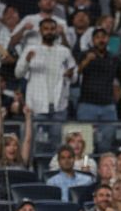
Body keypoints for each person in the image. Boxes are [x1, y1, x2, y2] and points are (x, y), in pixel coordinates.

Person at [14, 18, 76, 149]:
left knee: (58, 145)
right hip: (36, 105)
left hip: (59, 106)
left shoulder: (64, 51)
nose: (49, 32)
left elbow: (74, 77)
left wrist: (71, 75)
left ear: (56, 31)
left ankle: (55, 168)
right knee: (34, 144)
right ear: (40, 31)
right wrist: (26, 60)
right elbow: (18, 73)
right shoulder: (31, 49)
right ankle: (33, 169)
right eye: (46, 29)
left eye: (52, 29)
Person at [76, 27, 121, 151]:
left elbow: (119, 78)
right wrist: (87, 60)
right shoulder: (84, 54)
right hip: (87, 104)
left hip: (108, 105)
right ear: (93, 40)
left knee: (107, 141)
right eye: (98, 37)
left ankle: (104, 165)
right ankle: (86, 167)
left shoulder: (114, 58)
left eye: (104, 37)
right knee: (85, 143)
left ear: (108, 39)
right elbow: (75, 74)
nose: (101, 40)